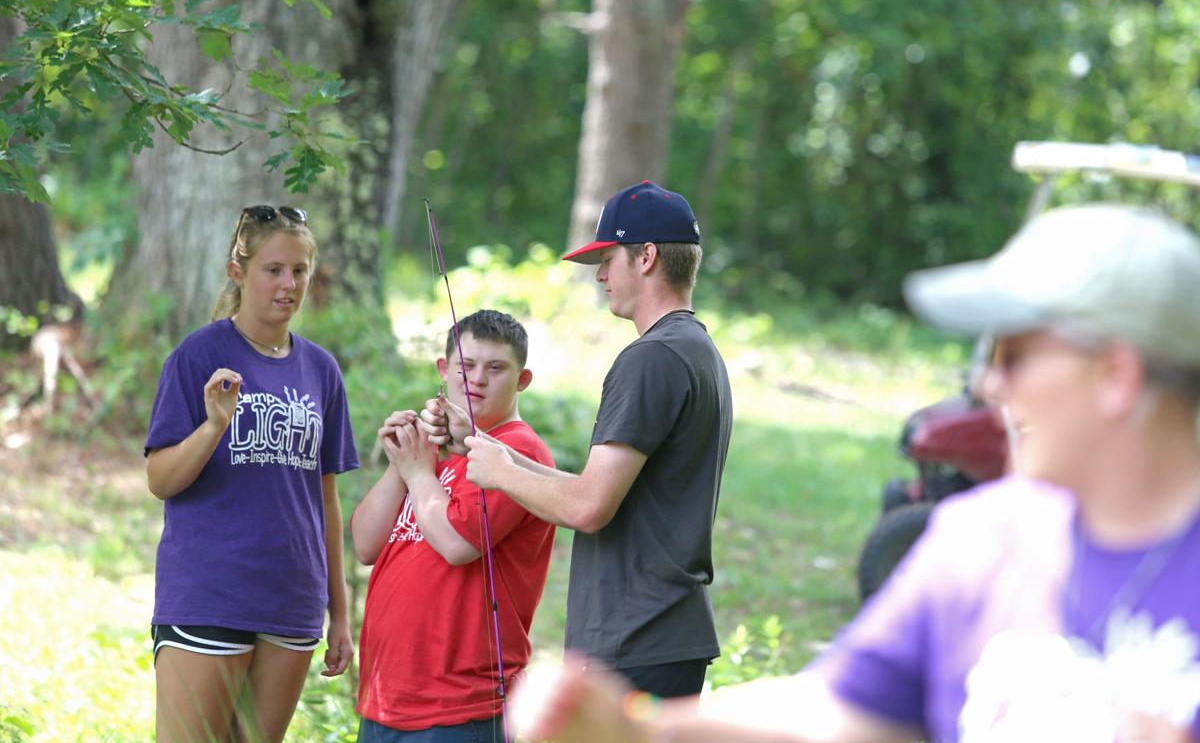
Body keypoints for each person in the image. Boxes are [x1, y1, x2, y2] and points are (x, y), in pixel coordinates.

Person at [504, 204, 1200, 743]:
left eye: (1015, 356)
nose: (991, 385)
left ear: (1117, 376)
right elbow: (833, 708)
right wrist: (636, 725)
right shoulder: (978, 542)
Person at [423, 181, 733, 700]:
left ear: (647, 257)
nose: (601, 275)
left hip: (635, 639)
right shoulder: (696, 349)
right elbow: (602, 490)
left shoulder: (650, 358)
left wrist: (501, 473)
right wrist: (488, 450)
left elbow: (587, 508)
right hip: (661, 636)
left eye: (607, 259)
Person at [145, 205, 358, 742]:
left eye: (300, 271)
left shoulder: (321, 370)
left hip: (292, 600)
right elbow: (160, 480)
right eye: (274, 270)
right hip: (210, 593)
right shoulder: (198, 355)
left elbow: (325, 501)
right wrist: (214, 426)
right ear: (238, 272)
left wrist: (340, 613)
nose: (289, 284)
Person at [351, 309, 557, 742]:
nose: (477, 379)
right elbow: (366, 545)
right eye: (466, 365)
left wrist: (417, 472)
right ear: (444, 369)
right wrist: (401, 463)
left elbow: (458, 544)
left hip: (462, 705)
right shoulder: (438, 451)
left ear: (522, 379)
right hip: (389, 696)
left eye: (496, 368)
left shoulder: (517, 451)